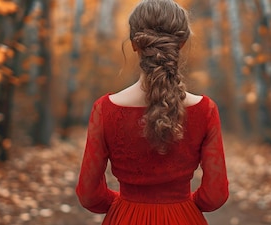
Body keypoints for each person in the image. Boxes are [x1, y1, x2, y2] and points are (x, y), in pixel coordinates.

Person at [75, 0, 229, 224]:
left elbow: (89, 195)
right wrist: (183, 205)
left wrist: (124, 202)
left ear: (135, 44)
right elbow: (215, 196)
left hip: (126, 217)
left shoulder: (105, 109)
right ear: (182, 43)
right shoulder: (205, 110)